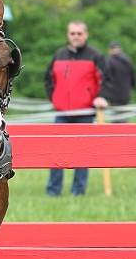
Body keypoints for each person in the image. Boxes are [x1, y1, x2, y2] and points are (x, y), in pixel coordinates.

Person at [44, 20, 111, 196]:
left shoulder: (95, 55)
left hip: (85, 112)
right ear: (68, 35)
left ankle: (78, 191)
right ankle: (53, 191)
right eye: (73, 33)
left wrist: (101, 97)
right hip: (62, 113)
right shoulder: (59, 55)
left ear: (86, 35)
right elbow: (48, 79)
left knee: (82, 154)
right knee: (57, 153)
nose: (76, 36)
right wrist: (55, 98)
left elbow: (106, 80)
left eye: (79, 33)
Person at [104, 41, 136, 120]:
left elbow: (105, 78)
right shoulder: (128, 60)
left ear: (110, 50)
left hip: (114, 96)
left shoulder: (109, 61)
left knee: (116, 120)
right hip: (125, 95)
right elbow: (133, 79)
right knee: (124, 118)